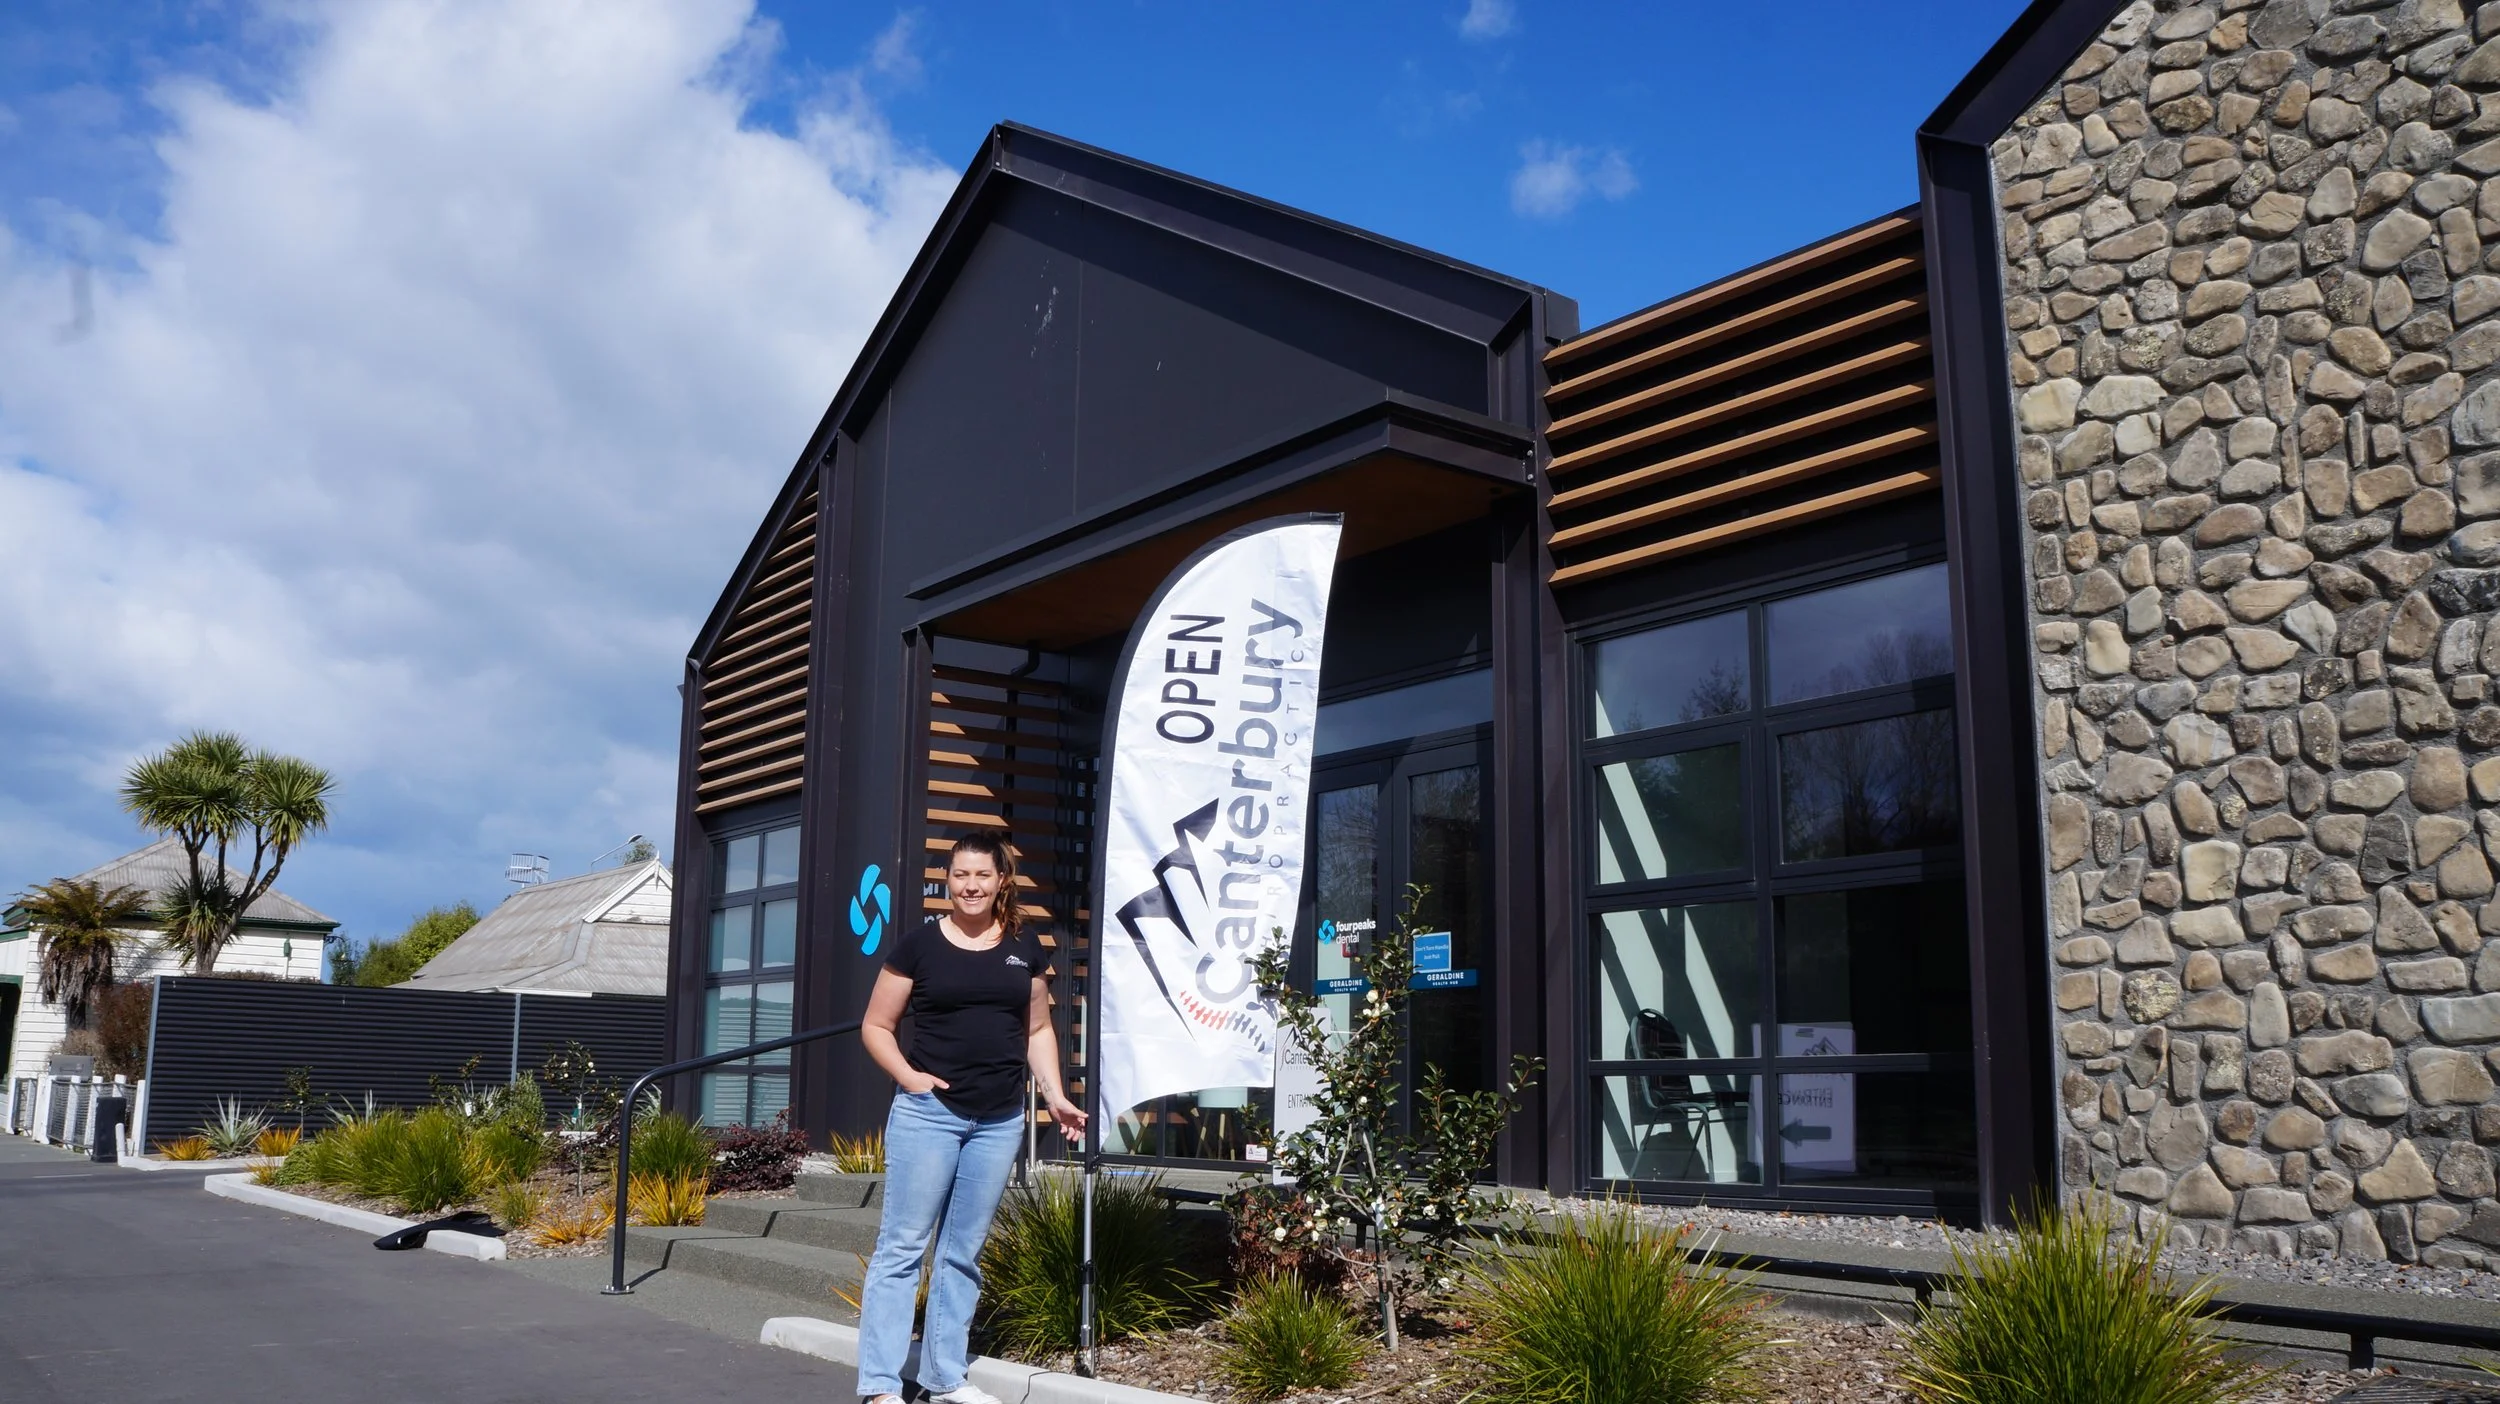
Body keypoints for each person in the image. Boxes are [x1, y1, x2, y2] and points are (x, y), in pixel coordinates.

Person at [855, 830, 1087, 1404]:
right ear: (947, 881)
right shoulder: (918, 946)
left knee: (962, 1253)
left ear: (1001, 880)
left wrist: (1053, 1094)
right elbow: (876, 1025)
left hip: (1000, 1119)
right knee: (902, 1249)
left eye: (982, 875)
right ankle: (880, 1386)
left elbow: (1036, 1030)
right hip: (929, 1115)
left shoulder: (1024, 947)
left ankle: (944, 1379)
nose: (971, 885)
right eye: (960, 875)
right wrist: (910, 1078)